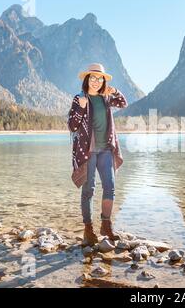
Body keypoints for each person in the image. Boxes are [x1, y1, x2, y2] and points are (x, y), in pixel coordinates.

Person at [67, 63, 128, 246]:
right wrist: (80, 108)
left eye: (99, 78)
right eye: (92, 78)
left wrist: (115, 90)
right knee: (89, 190)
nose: (95, 81)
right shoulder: (80, 98)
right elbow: (72, 126)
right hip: (88, 152)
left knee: (110, 186)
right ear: (87, 80)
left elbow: (123, 103)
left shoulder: (106, 98)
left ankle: (106, 225)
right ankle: (88, 229)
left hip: (106, 149)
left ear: (103, 81)